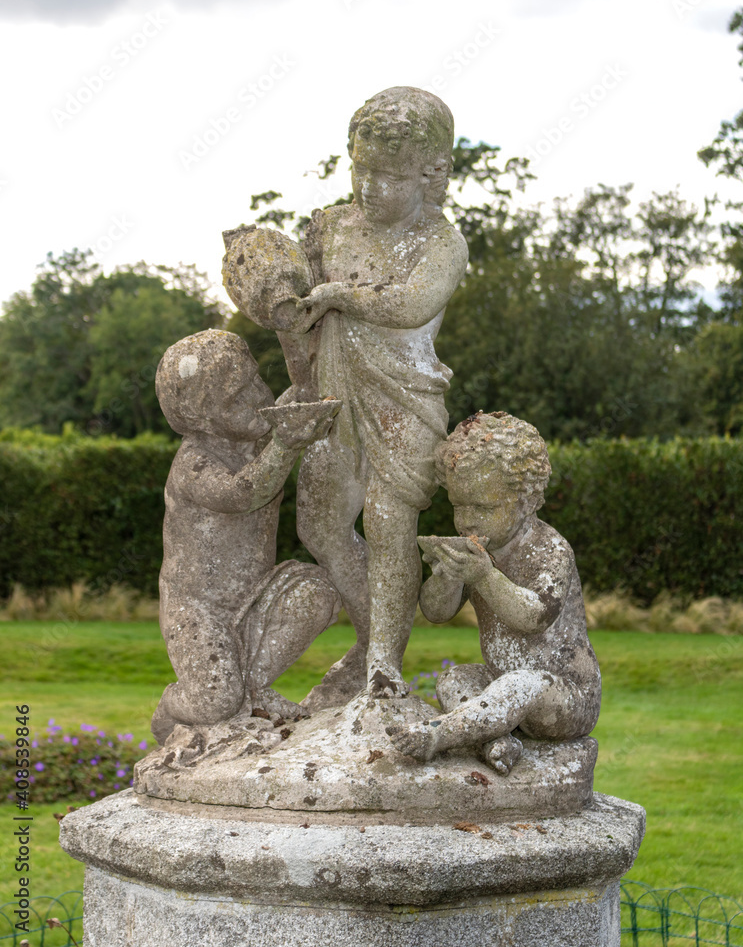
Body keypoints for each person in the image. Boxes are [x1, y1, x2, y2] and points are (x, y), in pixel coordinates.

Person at [292, 87, 468, 704]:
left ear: (431, 175)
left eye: (386, 176)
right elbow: (295, 305)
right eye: (358, 170)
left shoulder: (441, 243)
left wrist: (340, 295)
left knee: (390, 524)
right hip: (334, 398)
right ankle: (369, 637)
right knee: (318, 521)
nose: (368, 189)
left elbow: (411, 304)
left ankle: (384, 666)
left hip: (407, 400)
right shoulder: (334, 226)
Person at [151, 329, 341, 744]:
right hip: (198, 609)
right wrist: (286, 444)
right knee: (215, 697)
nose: (257, 395)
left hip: (254, 591)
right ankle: (172, 706)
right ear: (201, 418)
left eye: (256, 379)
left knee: (320, 593)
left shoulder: (260, 436)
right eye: (237, 396)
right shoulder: (194, 463)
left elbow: (299, 396)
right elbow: (242, 494)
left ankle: (253, 690)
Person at [386, 412, 601, 774]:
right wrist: (448, 576)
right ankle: (493, 740)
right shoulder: (478, 553)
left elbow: (534, 618)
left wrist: (484, 576)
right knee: (455, 679)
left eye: (483, 508)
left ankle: (441, 734)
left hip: (564, 696)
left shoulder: (550, 549)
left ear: (528, 500)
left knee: (521, 683)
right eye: (458, 506)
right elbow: (437, 611)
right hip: (501, 683)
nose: (468, 519)